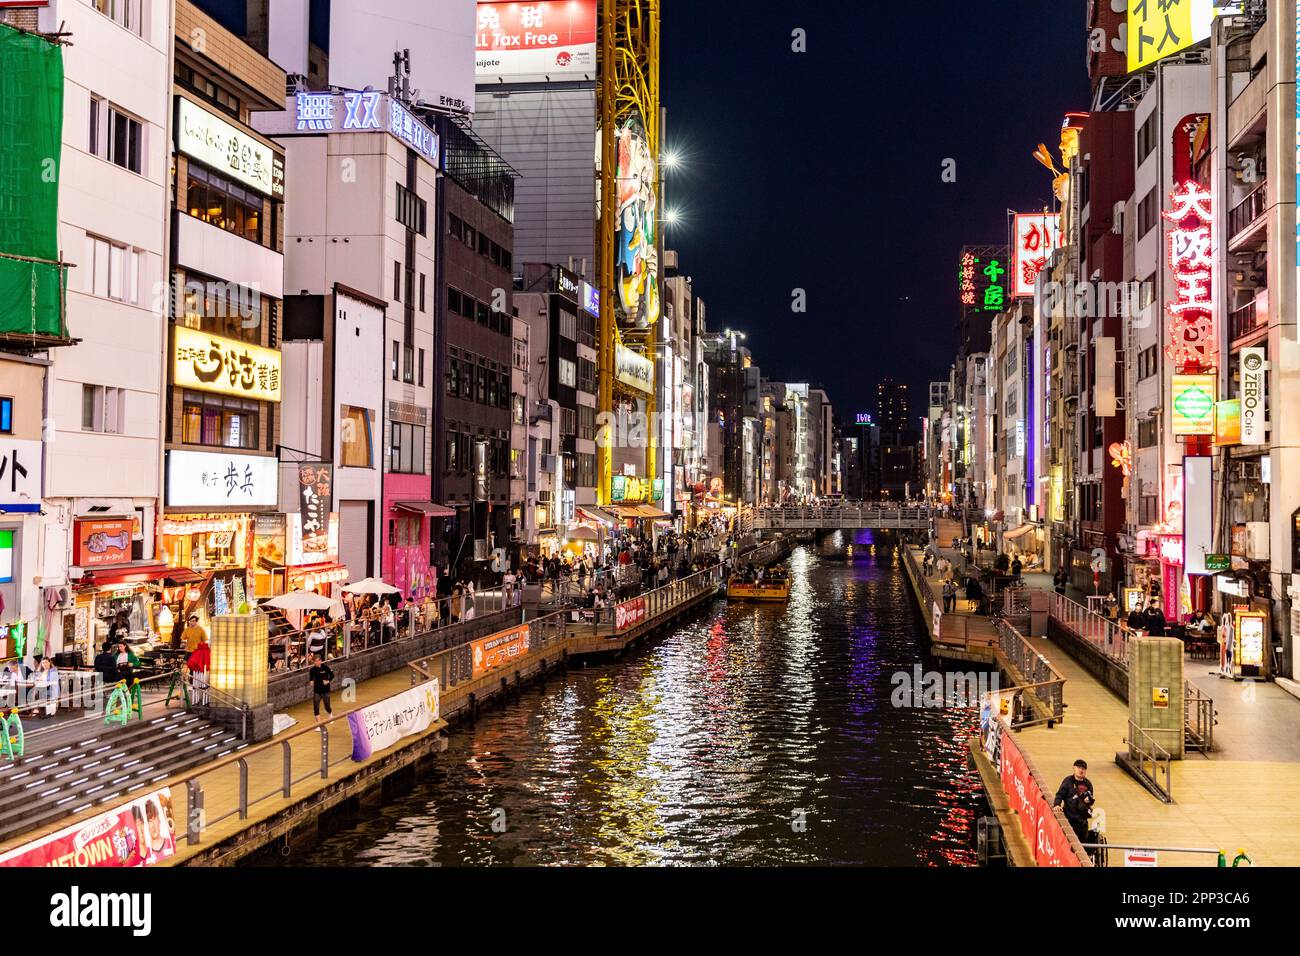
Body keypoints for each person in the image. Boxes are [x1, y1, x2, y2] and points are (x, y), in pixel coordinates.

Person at [1053, 759, 1095, 844]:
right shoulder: (1068, 781)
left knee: (1082, 844)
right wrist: (1057, 804)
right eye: (1079, 767)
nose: (1081, 770)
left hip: (1082, 821)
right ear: (1074, 768)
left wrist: (1088, 801)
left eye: (1083, 768)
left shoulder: (1088, 784)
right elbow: (1060, 794)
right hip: (1069, 819)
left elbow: (1091, 800)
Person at [308, 654, 334, 720]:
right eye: (315, 661)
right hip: (317, 691)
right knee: (316, 707)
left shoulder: (325, 667)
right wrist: (311, 682)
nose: (316, 662)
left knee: (327, 706)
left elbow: (332, 675)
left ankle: (330, 713)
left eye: (317, 661)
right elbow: (311, 679)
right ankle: (319, 725)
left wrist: (328, 681)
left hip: (325, 690)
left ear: (320, 661)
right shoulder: (312, 670)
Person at [187, 635, 211, 706]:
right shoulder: (206, 652)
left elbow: (192, 662)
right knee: (204, 686)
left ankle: (197, 701)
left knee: (200, 685)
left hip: (198, 672)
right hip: (202, 672)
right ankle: (204, 701)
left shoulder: (198, 652)